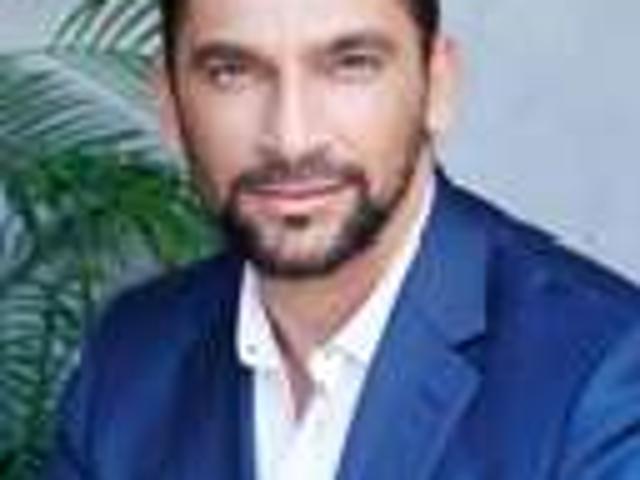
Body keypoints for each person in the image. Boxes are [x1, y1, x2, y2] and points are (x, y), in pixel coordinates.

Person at [44, 0, 640, 478]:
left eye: (350, 64)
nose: (291, 138)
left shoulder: (601, 370)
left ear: (437, 86)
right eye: (232, 72)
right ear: (171, 105)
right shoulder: (128, 357)